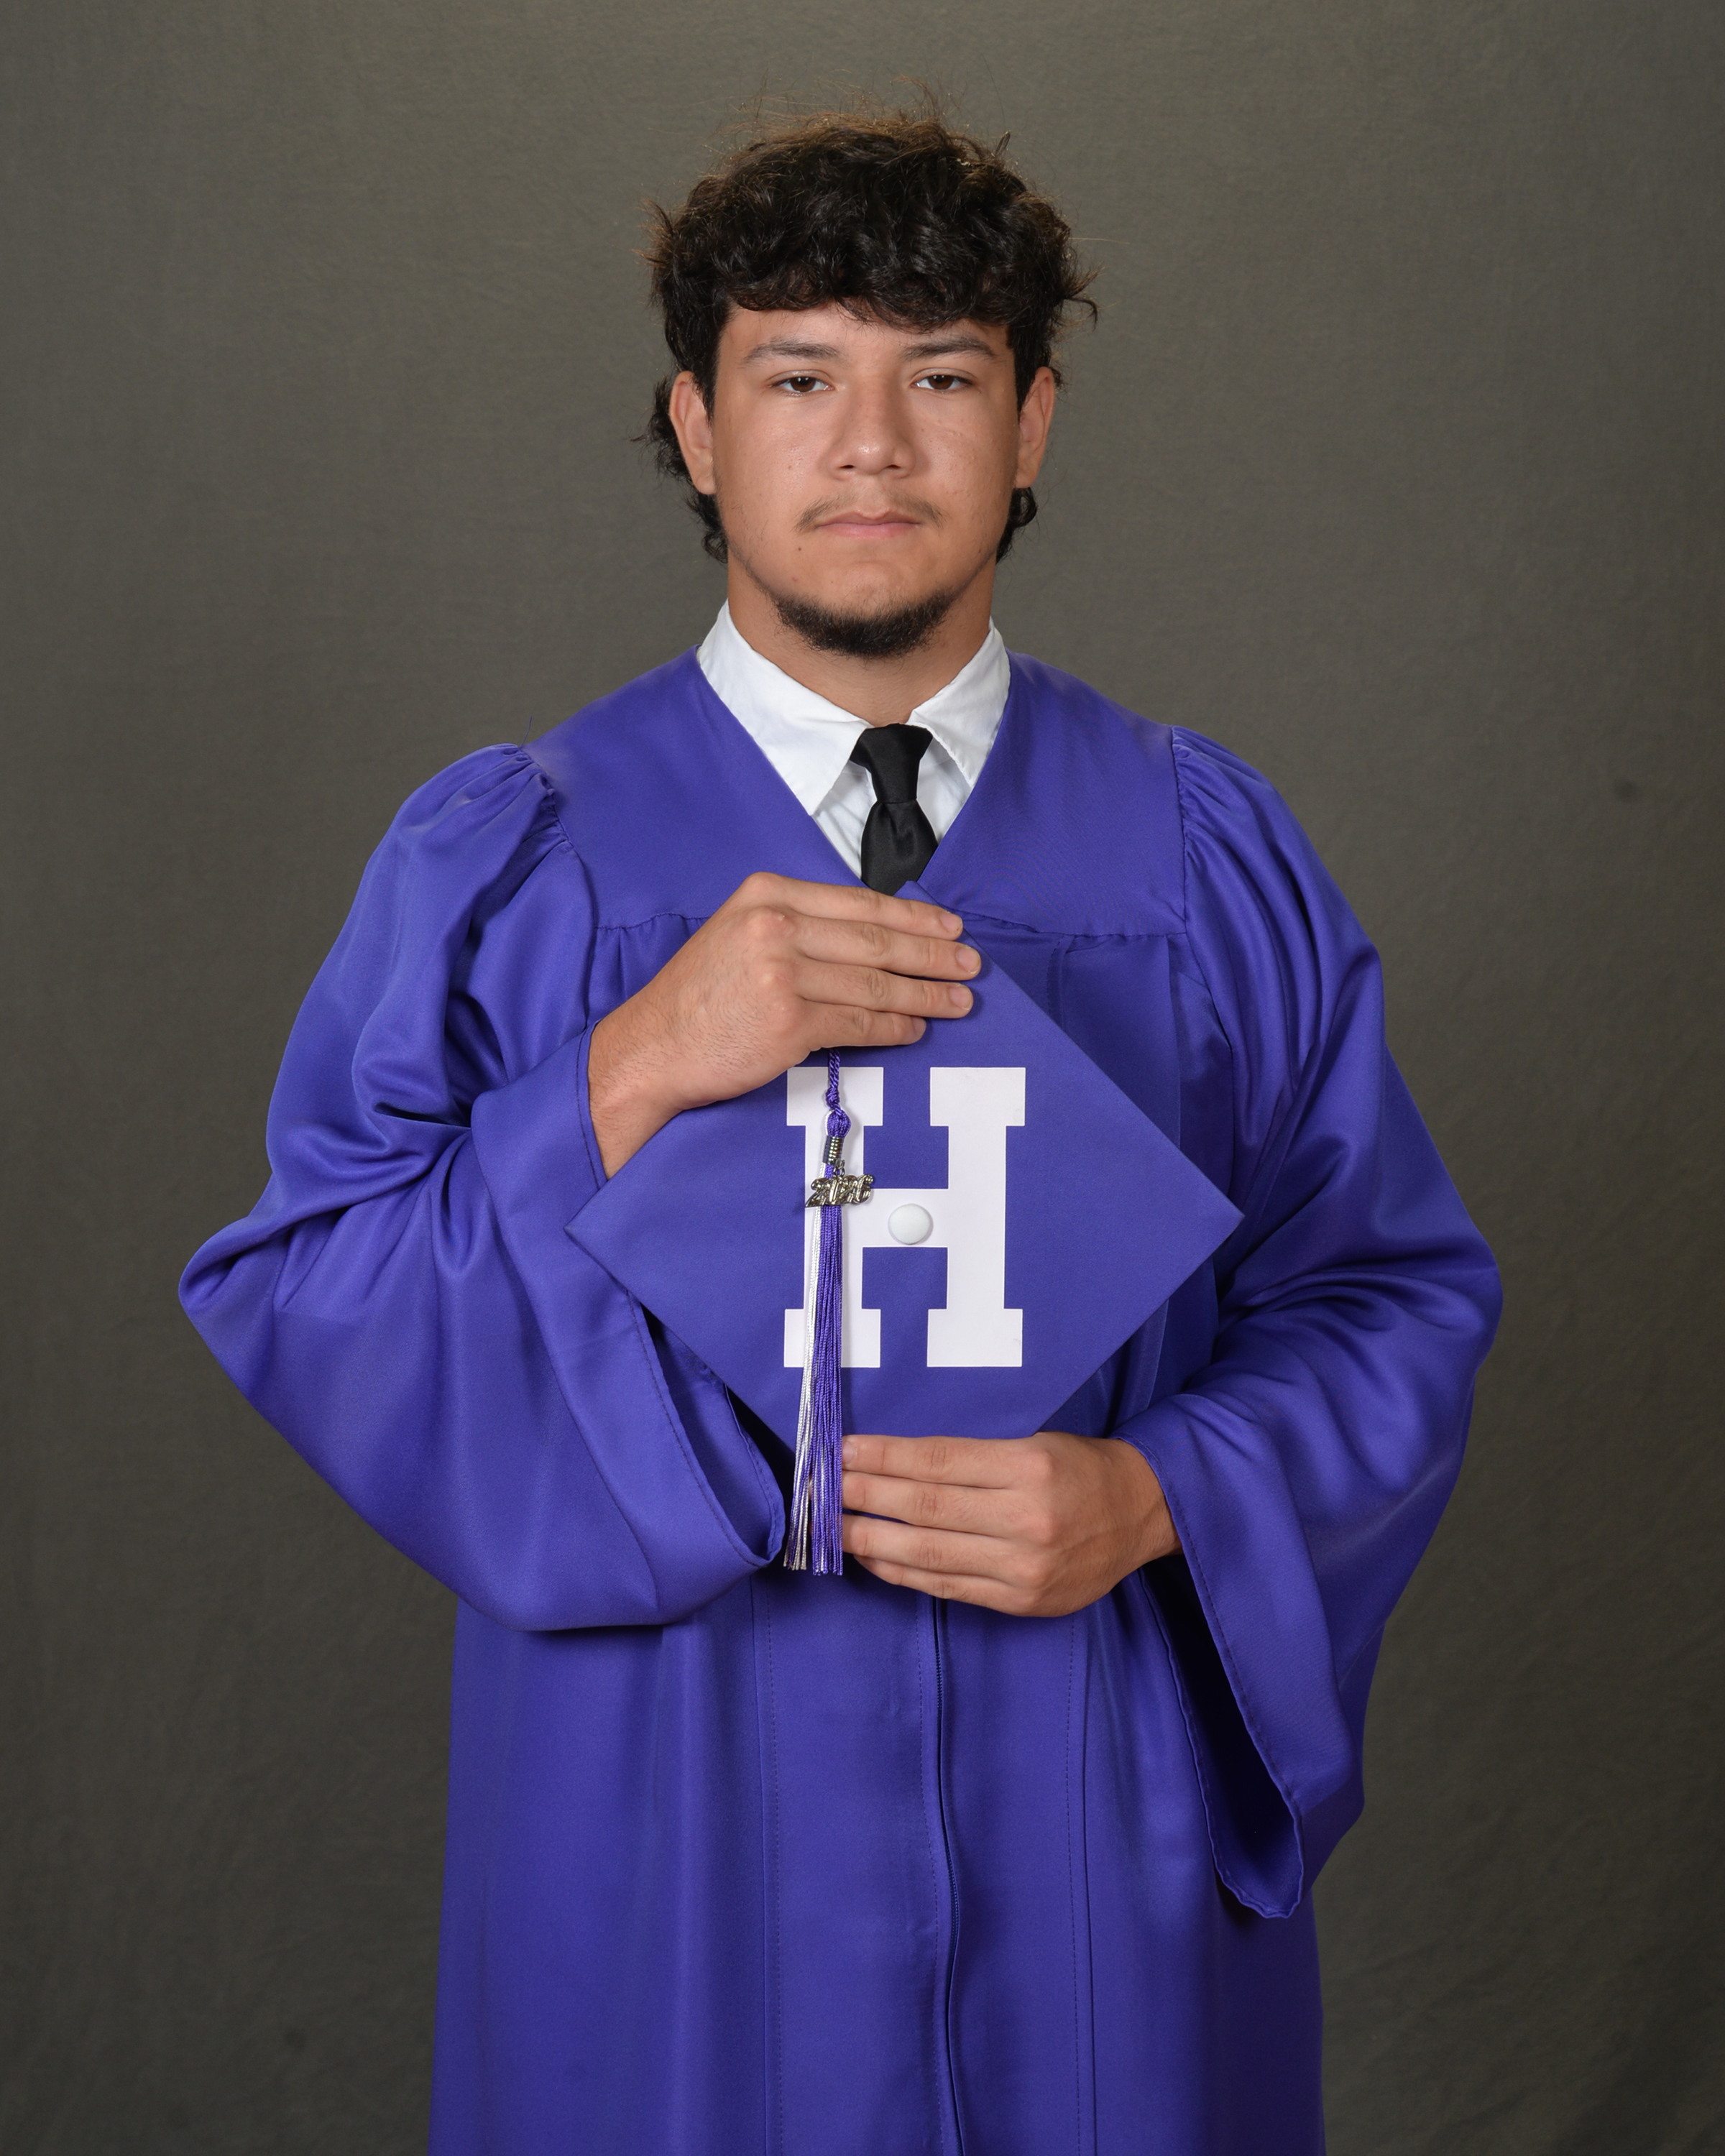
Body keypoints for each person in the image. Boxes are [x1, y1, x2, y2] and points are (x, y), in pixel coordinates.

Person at [181, 107, 1501, 2156]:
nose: (872, 446)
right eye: (799, 377)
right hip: (668, 1820)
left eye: (941, 378)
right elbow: (318, 1289)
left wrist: (1159, 1495)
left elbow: (1384, 1299)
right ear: (698, 428)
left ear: (1031, 422)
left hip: (1096, 1822)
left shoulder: (1199, 857)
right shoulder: (519, 864)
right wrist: (634, 1063)